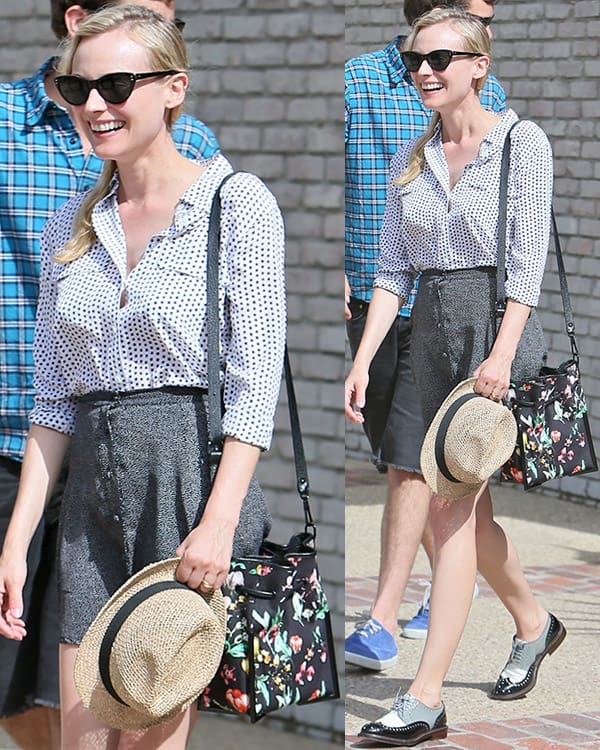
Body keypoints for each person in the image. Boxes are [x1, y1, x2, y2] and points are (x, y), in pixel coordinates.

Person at [0, 4, 286, 749]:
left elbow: (254, 388)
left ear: (173, 88)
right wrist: (17, 538)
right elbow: (55, 400)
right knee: (81, 735)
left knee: (153, 737)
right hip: (91, 496)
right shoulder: (72, 220)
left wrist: (219, 524)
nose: (95, 106)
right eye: (78, 88)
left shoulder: (235, 204)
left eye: (118, 84)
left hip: (186, 487)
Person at [346, 8, 566, 745]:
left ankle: (427, 697)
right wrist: (365, 355)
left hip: (494, 333)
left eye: (442, 57)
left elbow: (526, 267)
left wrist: (500, 357)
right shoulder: (410, 160)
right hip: (432, 334)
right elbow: (390, 273)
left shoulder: (519, 144)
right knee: (467, 516)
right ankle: (534, 624)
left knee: (450, 515)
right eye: (415, 60)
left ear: (479, 64)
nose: (425, 71)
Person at [344, 0, 503, 669]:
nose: (487, 16)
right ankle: (529, 616)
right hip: (379, 305)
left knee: (416, 467)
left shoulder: (496, 103)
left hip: (458, 315)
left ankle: (384, 620)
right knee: (435, 479)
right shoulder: (356, 84)